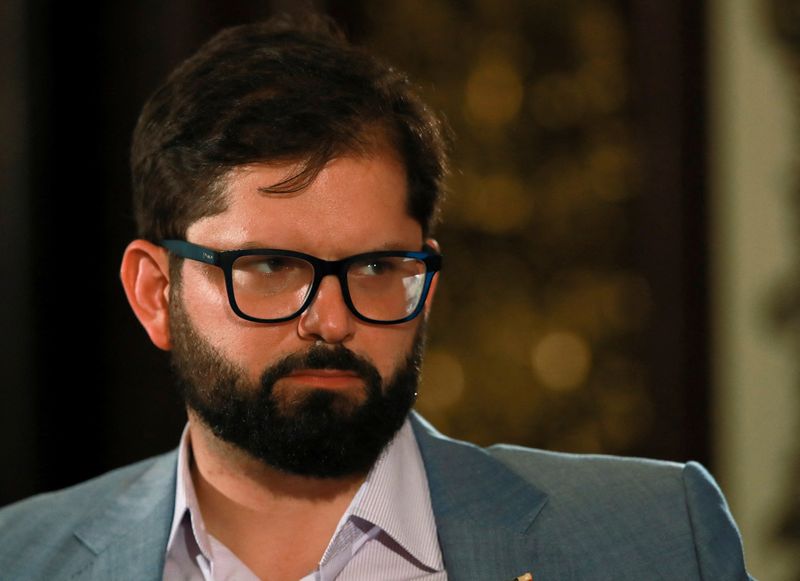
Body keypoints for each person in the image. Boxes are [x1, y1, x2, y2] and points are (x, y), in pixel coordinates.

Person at [0, 14, 751, 581]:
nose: (331, 318)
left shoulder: (656, 537)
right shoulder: (23, 556)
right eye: (268, 267)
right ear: (155, 291)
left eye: (376, 268)